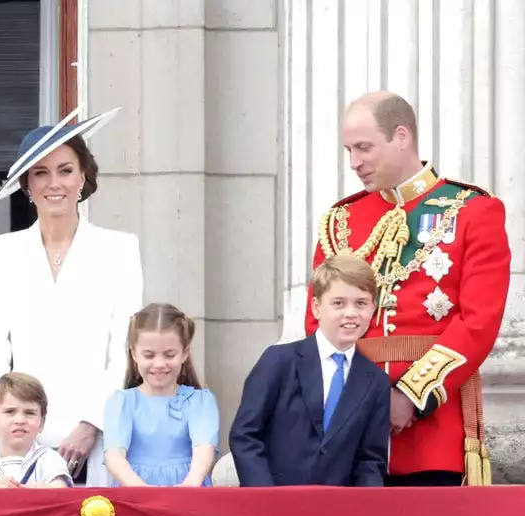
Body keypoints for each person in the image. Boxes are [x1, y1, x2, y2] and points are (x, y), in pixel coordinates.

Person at [306, 91, 510, 486]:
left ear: (402, 136)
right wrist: (352, 401)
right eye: (349, 149)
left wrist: (412, 396)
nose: (355, 162)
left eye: (364, 147)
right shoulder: (340, 220)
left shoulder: (472, 210)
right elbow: (318, 322)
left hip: (432, 430)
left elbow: (478, 322)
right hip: (350, 426)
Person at [0, 107, 142, 486]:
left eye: (65, 170)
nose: (55, 183)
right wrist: (11, 422)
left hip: (99, 440)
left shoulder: (119, 249)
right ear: (27, 186)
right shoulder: (3, 252)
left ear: (83, 177)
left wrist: (91, 423)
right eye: (41, 173)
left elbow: (124, 348)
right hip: (19, 438)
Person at [234, 255, 391, 487]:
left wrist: (364, 511)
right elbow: (245, 435)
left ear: (373, 308)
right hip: (274, 504)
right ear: (316, 307)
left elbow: (370, 459)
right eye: (338, 303)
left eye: (361, 303)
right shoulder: (279, 361)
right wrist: (264, 497)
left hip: (338, 511)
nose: (351, 313)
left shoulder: (376, 381)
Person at [103, 303, 218, 487]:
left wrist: (190, 484)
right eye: (149, 355)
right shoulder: (121, 402)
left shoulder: (200, 401)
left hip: (188, 494)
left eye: (169, 354)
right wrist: (141, 490)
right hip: (134, 495)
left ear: (184, 353)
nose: (159, 364)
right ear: (134, 354)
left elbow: (204, 448)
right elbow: (114, 455)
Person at [0, 372, 72, 489]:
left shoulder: (50, 458)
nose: (20, 420)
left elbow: (60, 490)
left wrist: (35, 491)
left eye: (29, 413)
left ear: (41, 422)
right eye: (10, 412)